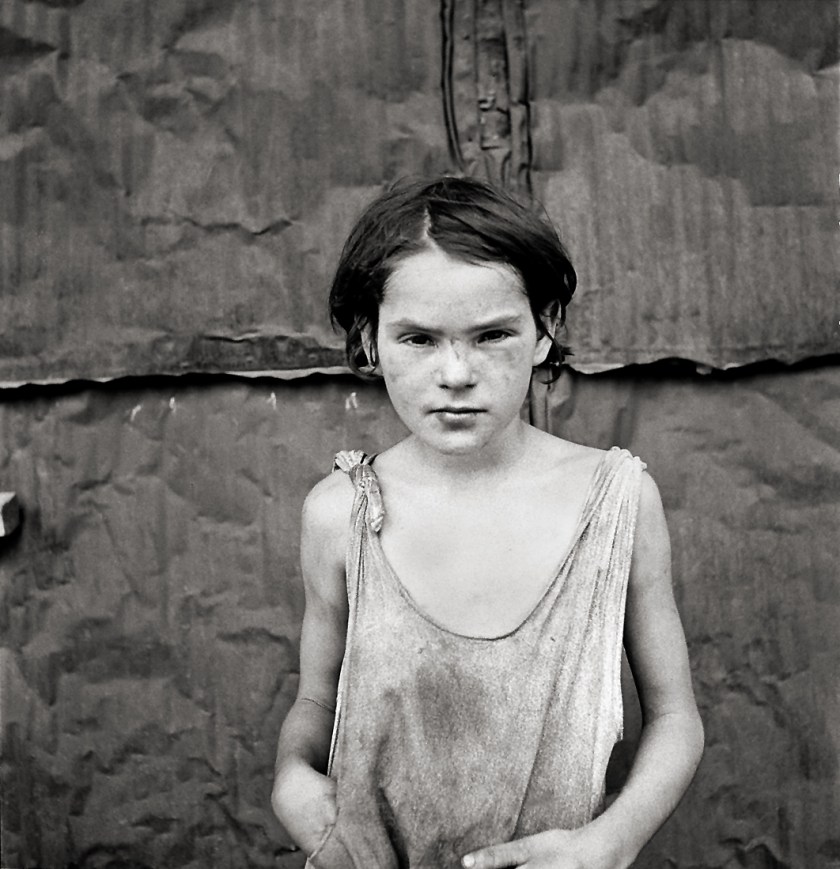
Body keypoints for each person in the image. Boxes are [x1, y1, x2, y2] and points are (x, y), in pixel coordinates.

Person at [271, 176, 704, 869]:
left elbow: (676, 717)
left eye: (493, 334)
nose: (456, 373)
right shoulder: (340, 513)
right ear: (368, 339)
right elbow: (319, 699)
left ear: (545, 329)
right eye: (417, 338)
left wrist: (609, 843)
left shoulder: (616, 502)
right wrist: (292, 775)